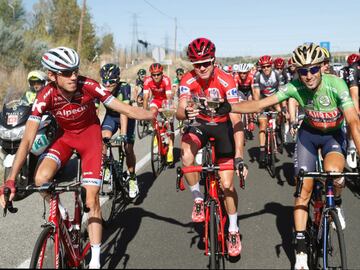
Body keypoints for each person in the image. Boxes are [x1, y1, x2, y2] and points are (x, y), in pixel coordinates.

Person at [0, 47, 153, 269]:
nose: (74, 76)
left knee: (91, 201)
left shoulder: (88, 85)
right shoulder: (45, 96)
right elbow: (26, 141)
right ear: (52, 76)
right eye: (67, 72)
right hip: (65, 139)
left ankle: (96, 262)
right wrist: (11, 179)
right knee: (41, 179)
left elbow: (124, 109)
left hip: (91, 139)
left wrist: (152, 114)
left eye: (75, 70)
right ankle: (61, 215)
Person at [226, 43, 360, 269]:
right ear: (297, 71)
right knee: (303, 190)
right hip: (308, 136)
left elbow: (354, 121)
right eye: (303, 70)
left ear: (322, 68)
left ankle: (336, 202)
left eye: (313, 69)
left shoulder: (336, 84)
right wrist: (226, 107)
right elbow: (259, 103)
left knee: (335, 174)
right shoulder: (294, 86)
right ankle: (300, 250)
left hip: (333, 137)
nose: (308, 76)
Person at [176, 37, 247, 257]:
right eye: (197, 64)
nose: (202, 68)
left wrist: (239, 156)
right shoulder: (188, 80)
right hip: (199, 124)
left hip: (223, 126)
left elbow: (236, 120)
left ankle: (233, 230)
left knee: (227, 186)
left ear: (213, 60)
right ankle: (198, 198)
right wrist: (185, 113)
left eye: (206, 62)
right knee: (186, 154)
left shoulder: (226, 81)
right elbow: (179, 110)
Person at [99, 63, 139, 199]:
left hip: (126, 117)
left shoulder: (124, 87)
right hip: (110, 117)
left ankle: (132, 178)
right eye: (105, 81)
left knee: (128, 148)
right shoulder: (100, 89)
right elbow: (95, 111)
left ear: (118, 79)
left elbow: (124, 112)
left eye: (111, 81)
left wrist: (123, 135)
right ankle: (106, 166)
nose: (108, 84)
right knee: (103, 139)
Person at [253, 55, 285, 165]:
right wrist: (257, 108)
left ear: (271, 66)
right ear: (261, 67)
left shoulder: (277, 74)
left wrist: (284, 108)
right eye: (263, 66)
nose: (266, 68)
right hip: (262, 100)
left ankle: (278, 131)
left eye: (268, 66)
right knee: (262, 123)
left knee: (280, 111)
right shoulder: (257, 76)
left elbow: (282, 92)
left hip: (274, 98)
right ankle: (262, 150)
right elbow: (256, 93)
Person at [143, 63, 175, 167]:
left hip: (166, 101)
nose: (156, 77)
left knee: (169, 125)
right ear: (151, 75)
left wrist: (167, 109)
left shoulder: (166, 80)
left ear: (162, 73)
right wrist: (144, 112)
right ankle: (156, 131)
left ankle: (170, 149)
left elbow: (169, 97)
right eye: (154, 75)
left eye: (158, 74)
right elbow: (146, 97)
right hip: (156, 101)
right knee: (152, 112)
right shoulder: (147, 80)